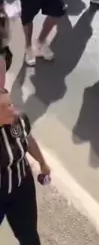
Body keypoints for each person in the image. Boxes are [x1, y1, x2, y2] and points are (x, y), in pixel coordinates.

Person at [0, 90, 51, 245]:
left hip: (22, 187)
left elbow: (27, 139)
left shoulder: (18, 121)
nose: (11, 109)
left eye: (10, 103)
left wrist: (42, 162)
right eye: (3, 107)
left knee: (29, 237)